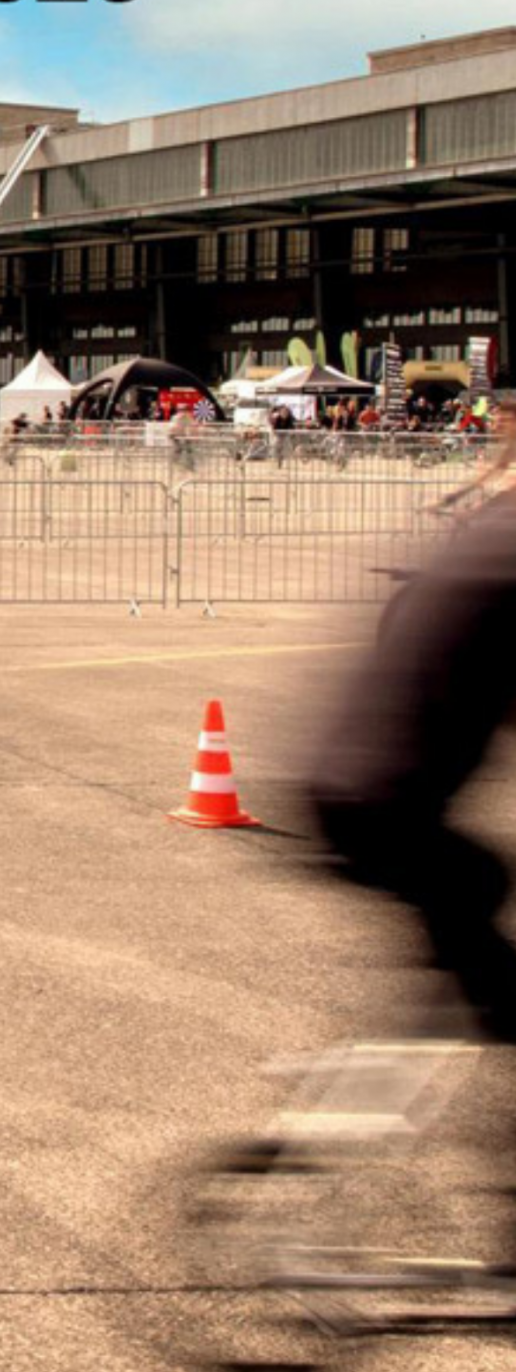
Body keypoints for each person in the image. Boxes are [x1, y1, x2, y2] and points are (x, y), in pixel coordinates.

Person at [312, 396, 516, 1043]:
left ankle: (415, 1046)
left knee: (474, 903)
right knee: (477, 889)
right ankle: (385, 1074)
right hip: (382, 799)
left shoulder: (492, 535)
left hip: (345, 782)